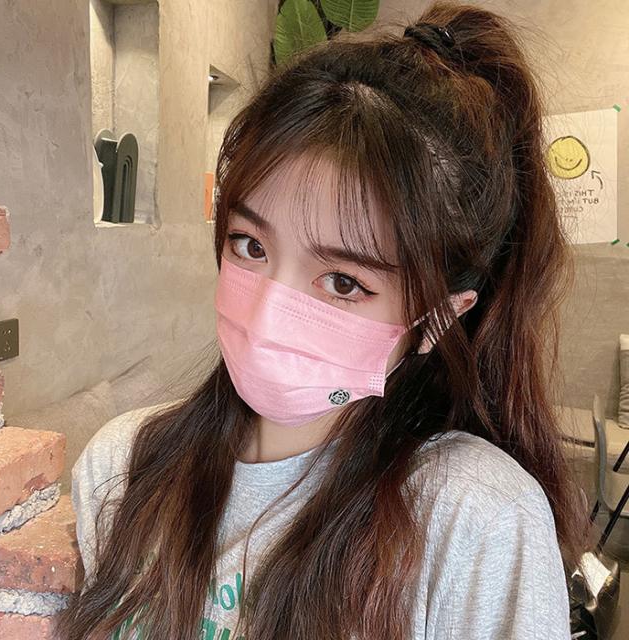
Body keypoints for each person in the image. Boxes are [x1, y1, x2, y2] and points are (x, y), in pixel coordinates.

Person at [55, 2, 594, 638]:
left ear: (436, 321)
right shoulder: (121, 465)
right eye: (250, 245)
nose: (267, 310)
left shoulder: (473, 520)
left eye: (343, 282)